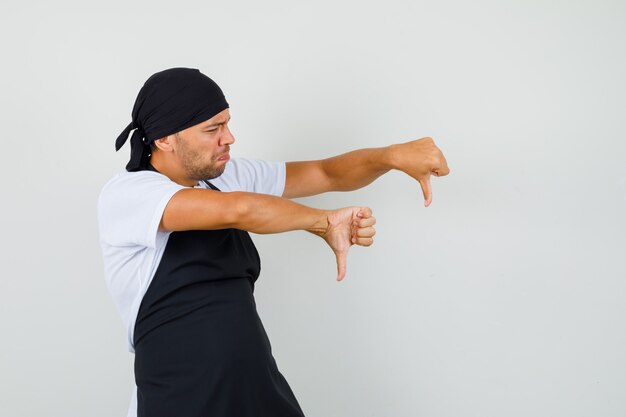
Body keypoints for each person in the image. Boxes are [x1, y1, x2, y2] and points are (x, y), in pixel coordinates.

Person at [97, 67, 449, 417]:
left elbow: (325, 173)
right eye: (213, 129)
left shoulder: (224, 176)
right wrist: (322, 221)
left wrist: (388, 156)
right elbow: (240, 209)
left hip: (256, 386)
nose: (229, 137)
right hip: (180, 396)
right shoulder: (130, 195)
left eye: (227, 123)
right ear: (165, 139)